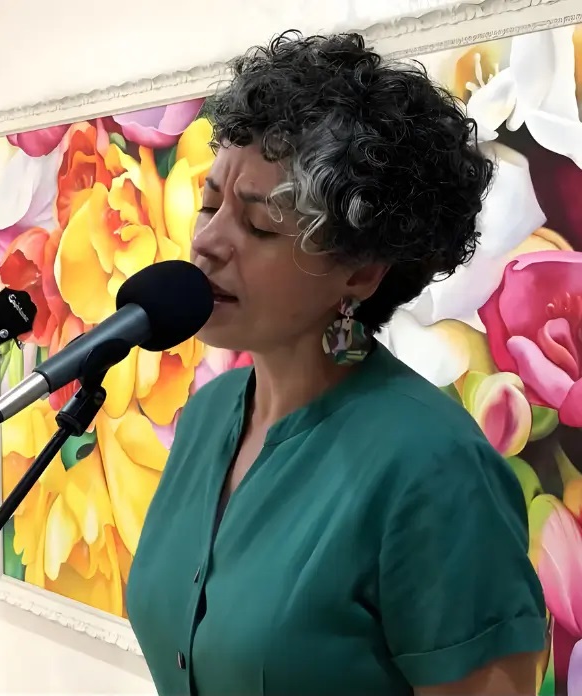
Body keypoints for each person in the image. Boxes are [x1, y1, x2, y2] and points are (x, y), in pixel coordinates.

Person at [125, 31, 548, 696]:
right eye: (209, 205)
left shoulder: (433, 468)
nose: (206, 243)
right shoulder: (208, 415)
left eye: (258, 225)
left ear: (360, 272)